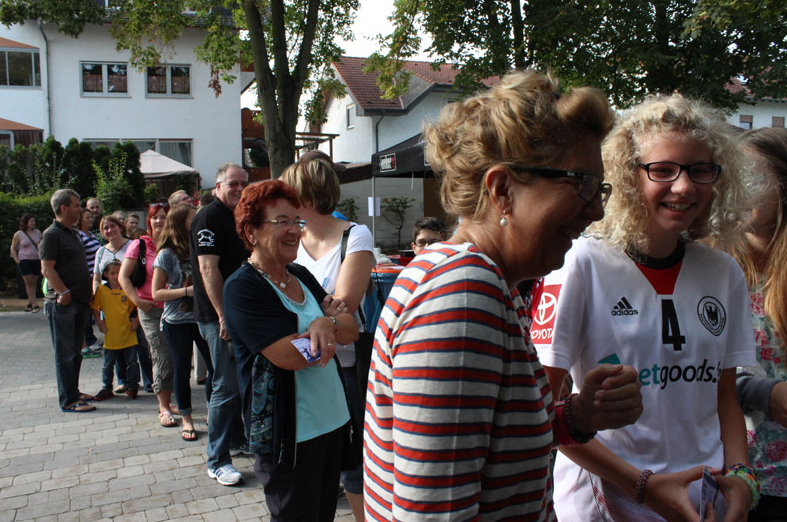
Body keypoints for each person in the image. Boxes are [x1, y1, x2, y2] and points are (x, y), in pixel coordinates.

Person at [363, 70, 644, 521]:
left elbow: (491, 445)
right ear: (503, 190)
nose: (596, 210)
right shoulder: (462, 294)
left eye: (600, 189)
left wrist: (579, 416)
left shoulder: (476, 280)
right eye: (583, 184)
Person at [533, 94, 757, 521]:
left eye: (699, 170)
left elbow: (724, 397)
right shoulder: (581, 262)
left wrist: (742, 479)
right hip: (608, 501)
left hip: (702, 501)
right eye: (663, 170)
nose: (684, 186)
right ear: (627, 175)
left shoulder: (723, 271)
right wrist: (642, 487)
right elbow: (543, 408)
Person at [224, 180, 359, 520]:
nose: (295, 231)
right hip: (291, 437)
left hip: (333, 422)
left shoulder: (299, 274)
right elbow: (288, 356)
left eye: (297, 221)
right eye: (281, 221)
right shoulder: (242, 288)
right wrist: (327, 328)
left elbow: (351, 330)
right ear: (251, 231)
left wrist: (326, 324)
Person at [282, 156, 375, 522]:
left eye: (289, 192)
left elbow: (345, 307)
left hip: (344, 366)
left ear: (306, 195)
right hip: (302, 364)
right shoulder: (292, 240)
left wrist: (309, 312)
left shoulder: (355, 235)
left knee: (353, 463)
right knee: (311, 459)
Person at [724, 127, 787, 520]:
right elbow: (694, 372)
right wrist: (762, 392)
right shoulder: (713, 266)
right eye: (732, 176)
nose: (737, 190)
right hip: (735, 477)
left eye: (751, 176)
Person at [190, 163, 249, 485]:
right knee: (226, 387)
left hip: (235, 314)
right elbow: (207, 269)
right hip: (218, 318)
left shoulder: (235, 216)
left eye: (243, 183)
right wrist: (223, 315)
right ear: (217, 187)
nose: (239, 188)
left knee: (234, 385)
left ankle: (237, 441)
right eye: (232, 183)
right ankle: (217, 460)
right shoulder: (210, 217)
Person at [152, 203, 213, 442]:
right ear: (179, 224)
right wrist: (187, 291)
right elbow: (157, 293)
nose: (197, 223)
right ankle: (187, 418)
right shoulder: (166, 254)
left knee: (215, 366)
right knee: (181, 370)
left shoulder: (199, 246)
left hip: (202, 317)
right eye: (192, 219)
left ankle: (213, 411)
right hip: (177, 321)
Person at [119, 202, 176, 427]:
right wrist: (138, 301)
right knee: (161, 355)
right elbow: (123, 276)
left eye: (163, 216)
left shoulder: (175, 243)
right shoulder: (140, 245)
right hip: (151, 310)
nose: (159, 221)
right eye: (155, 217)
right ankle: (163, 406)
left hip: (175, 309)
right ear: (148, 221)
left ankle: (172, 399)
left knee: (176, 356)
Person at [40, 189, 96, 413]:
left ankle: (74, 391)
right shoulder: (52, 235)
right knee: (64, 354)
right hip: (64, 304)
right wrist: (63, 292)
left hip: (79, 301)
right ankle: (68, 400)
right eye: (77, 205)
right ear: (63, 208)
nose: (81, 209)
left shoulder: (72, 233)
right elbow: (47, 269)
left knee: (75, 352)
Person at [92, 215, 154, 394]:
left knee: (141, 343)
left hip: (133, 302)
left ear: (120, 227)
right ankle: (123, 381)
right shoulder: (101, 252)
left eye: (112, 226)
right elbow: (96, 278)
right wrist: (99, 300)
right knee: (117, 343)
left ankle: (149, 381)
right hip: (111, 305)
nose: (109, 230)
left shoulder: (133, 245)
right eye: (105, 228)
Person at [90, 260, 140, 400]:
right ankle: (106, 387)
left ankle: (133, 386)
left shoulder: (127, 288)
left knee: (132, 362)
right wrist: (99, 322)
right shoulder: (102, 290)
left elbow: (137, 304)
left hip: (128, 331)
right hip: (110, 332)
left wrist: (136, 320)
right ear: (105, 274)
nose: (115, 276)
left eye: (118, 273)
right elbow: (94, 307)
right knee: (108, 364)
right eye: (112, 273)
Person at [78, 209, 102, 356]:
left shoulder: (91, 235)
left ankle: (91, 338)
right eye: (87, 217)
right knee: (86, 312)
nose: (91, 220)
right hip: (86, 277)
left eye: (91, 217)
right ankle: (86, 342)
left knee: (93, 309)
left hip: (95, 276)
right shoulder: (79, 236)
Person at [10, 213, 42, 313]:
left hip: (36, 259)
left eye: (34, 221)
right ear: (26, 223)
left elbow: (41, 245)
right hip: (24, 260)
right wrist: (17, 260)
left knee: (34, 282)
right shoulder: (19, 234)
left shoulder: (38, 232)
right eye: (31, 221)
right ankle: (35, 304)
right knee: (29, 282)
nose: (33, 223)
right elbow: (13, 248)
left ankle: (30, 302)